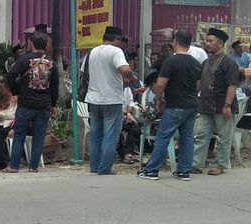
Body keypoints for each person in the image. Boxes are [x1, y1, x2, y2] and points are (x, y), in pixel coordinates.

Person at [137, 30, 202, 181]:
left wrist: (158, 100)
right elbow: (199, 84)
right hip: (192, 104)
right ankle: (184, 171)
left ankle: (151, 170)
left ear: (175, 42)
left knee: (163, 136)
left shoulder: (170, 61)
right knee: (187, 138)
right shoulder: (195, 62)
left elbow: (160, 85)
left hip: (175, 105)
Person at [82, 26, 138, 175]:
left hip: (94, 99)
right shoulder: (115, 51)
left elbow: (86, 74)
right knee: (110, 135)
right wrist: (132, 78)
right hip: (111, 99)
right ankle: (105, 168)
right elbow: (125, 70)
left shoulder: (93, 51)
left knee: (95, 134)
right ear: (117, 39)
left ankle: (94, 167)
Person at [3, 31, 58, 173]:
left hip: (26, 103)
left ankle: (13, 166)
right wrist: (53, 104)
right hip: (44, 105)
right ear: (45, 46)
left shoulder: (24, 60)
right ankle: (33, 167)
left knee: (19, 134)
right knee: (39, 135)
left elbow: (11, 75)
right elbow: (54, 86)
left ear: (31, 44)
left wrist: (16, 91)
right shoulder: (51, 63)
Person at [192, 27, 240, 176]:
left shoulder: (229, 62)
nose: (207, 43)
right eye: (206, 40)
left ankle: (220, 165)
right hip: (206, 106)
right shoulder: (206, 62)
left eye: (210, 41)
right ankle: (196, 164)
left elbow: (232, 85)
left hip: (223, 106)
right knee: (201, 136)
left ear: (220, 43)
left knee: (224, 138)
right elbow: (200, 82)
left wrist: (227, 106)